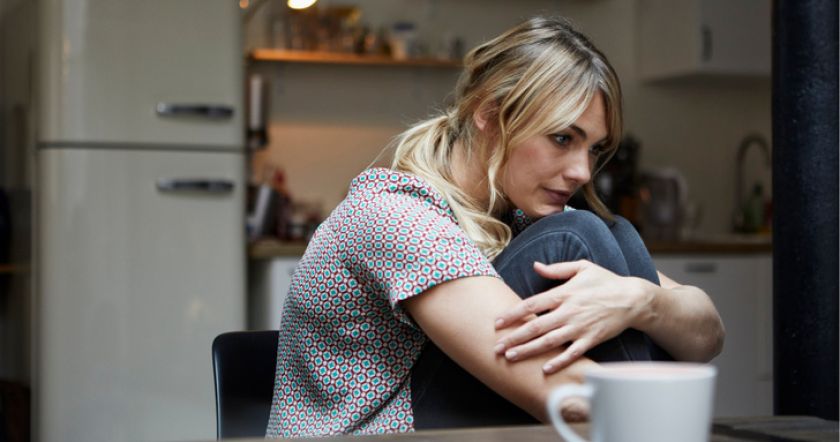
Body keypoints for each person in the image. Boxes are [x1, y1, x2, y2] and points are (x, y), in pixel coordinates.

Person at [265, 16, 724, 438]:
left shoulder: (521, 212)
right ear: (488, 113)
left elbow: (708, 336)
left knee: (613, 232)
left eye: (593, 149)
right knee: (579, 234)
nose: (583, 171)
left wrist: (642, 301)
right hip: (376, 436)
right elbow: (564, 395)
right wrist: (667, 408)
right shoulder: (395, 216)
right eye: (562, 138)